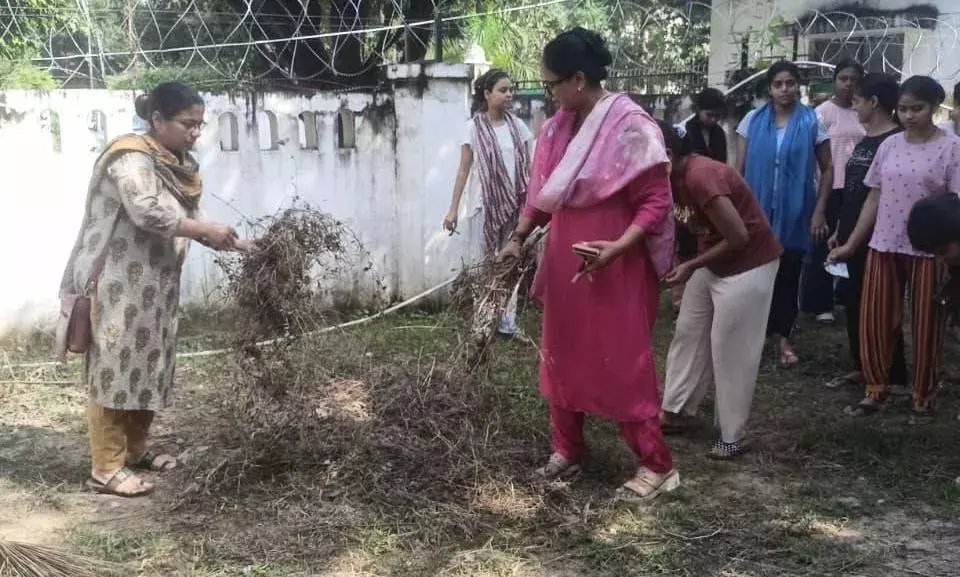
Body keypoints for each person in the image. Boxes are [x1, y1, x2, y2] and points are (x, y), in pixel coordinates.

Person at [500, 27, 679, 500]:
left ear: (579, 79)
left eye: (551, 83)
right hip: (566, 264)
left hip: (616, 265)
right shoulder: (555, 129)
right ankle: (568, 448)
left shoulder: (632, 126)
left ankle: (657, 465)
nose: (548, 92)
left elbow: (656, 203)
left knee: (622, 362)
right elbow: (541, 198)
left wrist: (619, 247)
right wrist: (518, 238)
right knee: (561, 353)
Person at [59, 82, 254, 497]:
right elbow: (147, 210)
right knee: (114, 368)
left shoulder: (177, 161)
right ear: (158, 119)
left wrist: (243, 245)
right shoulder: (130, 157)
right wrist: (205, 229)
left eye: (200, 125)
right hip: (115, 283)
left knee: (149, 365)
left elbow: (196, 218)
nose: (195, 133)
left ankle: (136, 450)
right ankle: (106, 467)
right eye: (188, 124)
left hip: (157, 284)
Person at [828, 76, 960, 422]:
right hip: (883, 242)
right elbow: (874, 196)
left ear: (934, 107)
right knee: (875, 319)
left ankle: (923, 394)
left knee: (927, 322)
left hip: (929, 249)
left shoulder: (951, 147)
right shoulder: (890, 145)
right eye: (903, 108)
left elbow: (955, 203)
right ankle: (876, 389)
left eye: (917, 108)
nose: (909, 115)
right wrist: (851, 243)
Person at [657, 122, 782, 459]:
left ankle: (732, 435)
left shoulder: (701, 177)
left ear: (666, 155)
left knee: (730, 349)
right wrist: (687, 262)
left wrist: (691, 266)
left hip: (749, 265)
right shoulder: (672, 178)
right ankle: (675, 410)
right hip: (713, 261)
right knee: (688, 333)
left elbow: (739, 237)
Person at [736, 60, 834, 367]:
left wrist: (819, 211)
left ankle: (783, 338)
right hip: (757, 210)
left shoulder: (812, 122)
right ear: (769, 88)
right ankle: (753, 337)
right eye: (778, 84)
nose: (785, 89)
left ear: (798, 86)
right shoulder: (751, 121)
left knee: (789, 275)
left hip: (796, 211)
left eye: (790, 83)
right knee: (754, 276)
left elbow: (828, 168)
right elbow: (738, 170)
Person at [824, 74, 906, 391]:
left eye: (858, 101)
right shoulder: (865, 140)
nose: (854, 107)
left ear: (873, 102)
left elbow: (880, 199)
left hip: (877, 240)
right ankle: (863, 365)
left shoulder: (895, 142)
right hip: (851, 236)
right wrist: (840, 233)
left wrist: (854, 239)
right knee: (852, 302)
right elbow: (855, 194)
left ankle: (893, 374)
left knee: (882, 307)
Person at [444, 69, 533, 336]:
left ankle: (507, 322)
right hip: (483, 206)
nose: (509, 94)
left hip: (515, 206)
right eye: (503, 90)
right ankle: (482, 321)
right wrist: (453, 209)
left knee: (509, 264)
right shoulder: (472, 128)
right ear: (487, 94)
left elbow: (529, 168)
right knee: (483, 264)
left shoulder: (519, 127)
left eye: (511, 90)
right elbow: (463, 170)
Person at [802, 60, 865, 324]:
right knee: (823, 243)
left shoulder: (864, 112)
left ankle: (846, 296)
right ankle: (820, 302)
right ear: (835, 81)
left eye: (853, 79)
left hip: (857, 188)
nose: (848, 84)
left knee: (850, 242)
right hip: (830, 187)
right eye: (843, 78)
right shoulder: (822, 113)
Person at [671, 88, 729, 311]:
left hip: (710, 194)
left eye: (717, 115)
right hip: (686, 195)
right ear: (697, 111)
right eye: (709, 115)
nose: (713, 120)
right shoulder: (685, 133)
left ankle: (704, 295)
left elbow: (721, 165)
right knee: (686, 244)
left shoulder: (719, 134)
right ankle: (680, 300)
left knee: (709, 242)